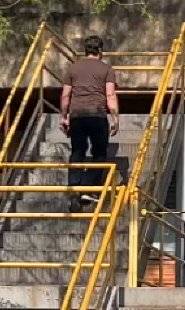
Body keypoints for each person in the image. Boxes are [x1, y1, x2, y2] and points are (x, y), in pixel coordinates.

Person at [60, 35, 119, 212]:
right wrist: (115, 118)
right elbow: (110, 95)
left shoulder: (73, 68)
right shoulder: (107, 69)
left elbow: (65, 96)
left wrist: (64, 116)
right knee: (99, 152)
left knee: (77, 151)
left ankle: (74, 189)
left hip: (77, 115)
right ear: (100, 51)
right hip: (97, 115)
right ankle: (89, 187)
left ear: (85, 50)